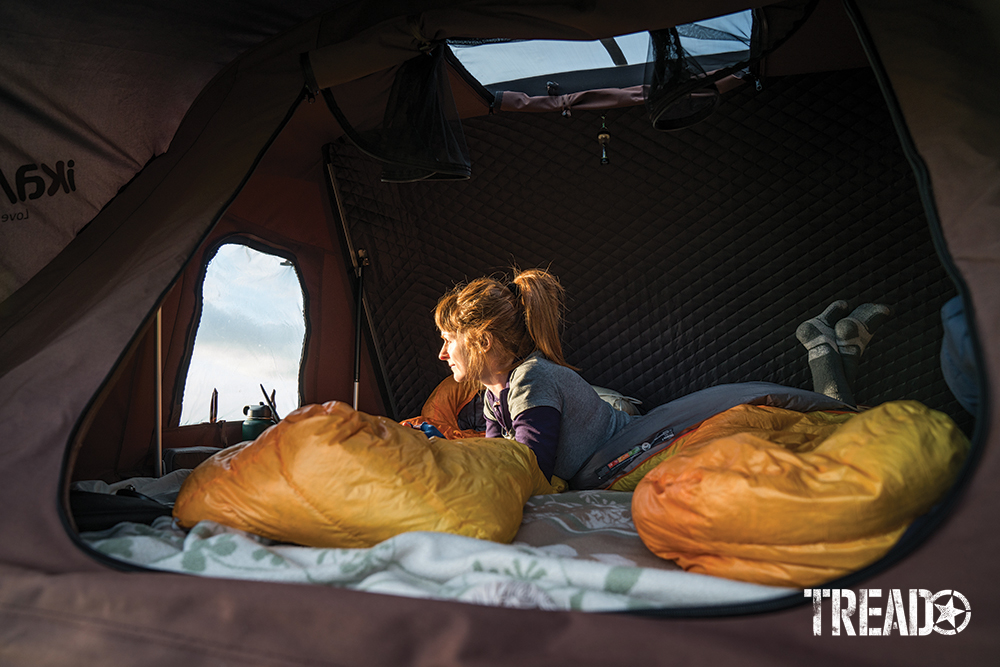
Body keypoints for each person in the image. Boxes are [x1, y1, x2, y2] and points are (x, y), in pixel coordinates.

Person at [435, 268, 633, 483]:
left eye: (449, 340)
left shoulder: (531, 379)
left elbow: (532, 474)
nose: (442, 354)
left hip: (632, 453)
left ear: (483, 342)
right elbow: (495, 457)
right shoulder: (492, 398)